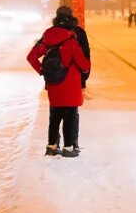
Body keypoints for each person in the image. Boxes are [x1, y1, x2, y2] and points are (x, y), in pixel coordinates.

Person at [27, 9, 91, 157]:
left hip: (54, 85)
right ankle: (68, 148)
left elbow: (31, 57)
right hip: (71, 86)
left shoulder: (48, 38)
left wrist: (43, 70)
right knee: (69, 115)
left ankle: (52, 146)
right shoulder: (72, 41)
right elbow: (84, 64)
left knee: (55, 116)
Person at [53, 5, 91, 88]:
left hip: (55, 80)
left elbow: (33, 56)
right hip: (76, 79)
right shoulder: (79, 32)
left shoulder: (51, 33)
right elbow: (86, 54)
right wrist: (85, 76)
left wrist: (45, 72)